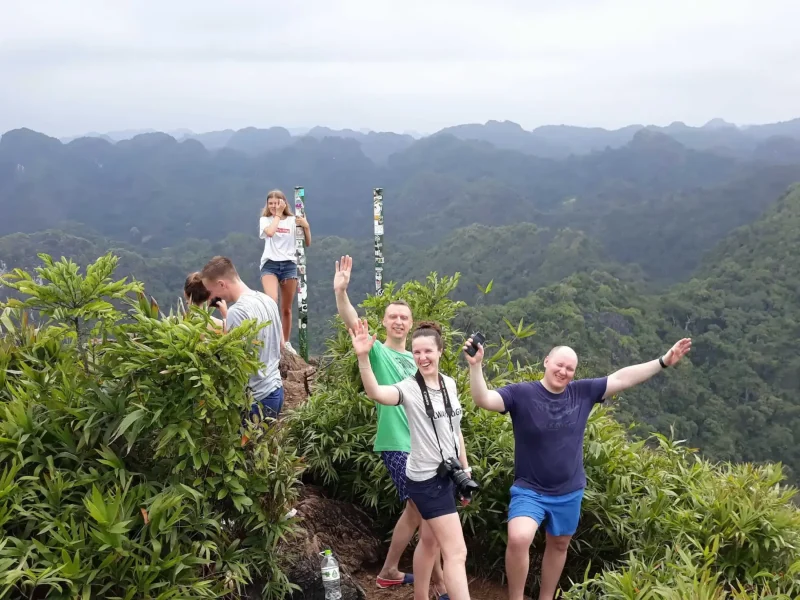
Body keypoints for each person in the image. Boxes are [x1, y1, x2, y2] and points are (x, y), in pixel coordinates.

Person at [464, 337, 692, 600]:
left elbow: (622, 378)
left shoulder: (581, 392)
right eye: (559, 365)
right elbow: (484, 399)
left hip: (569, 490)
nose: (563, 372)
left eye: (570, 368)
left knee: (559, 544)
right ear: (546, 362)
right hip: (530, 489)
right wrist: (475, 366)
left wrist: (663, 361)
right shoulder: (521, 393)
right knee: (518, 537)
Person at [333, 255, 449, 597]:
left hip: (423, 448)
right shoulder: (381, 353)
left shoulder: (418, 361)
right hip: (397, 444)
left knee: (415, 512)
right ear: (384, 323)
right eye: (393, 316)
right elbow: (353, 323)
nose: (398, 321)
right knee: (429, 514)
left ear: (411, 324)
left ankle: (389, 571)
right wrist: (342, 293)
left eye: (404, 317)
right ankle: (440, 585)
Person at [351, 319, 472, 600]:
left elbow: (455, 431)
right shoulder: (409, 387)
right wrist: (363, 358)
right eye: (417, 352)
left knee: (429, 543)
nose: (422, 357)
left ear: (440, 351)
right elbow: (377, 393)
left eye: (428, 351)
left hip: (448, 475)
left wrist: (464, 471)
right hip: (426, 480)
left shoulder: (450, 385)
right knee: (456, 551)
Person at [201, 255, 284, 421]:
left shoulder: (237, 312)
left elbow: (235, 361)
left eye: (211, 291)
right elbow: (281, 343)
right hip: (276, 390)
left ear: (221, 284)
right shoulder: (267, 300)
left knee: (247, 447)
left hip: (256, 399)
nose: (211, 297)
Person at [259, 189, 311, 354]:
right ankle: (273, 339)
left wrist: (306, 227)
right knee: (271, 301)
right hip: (270, 264)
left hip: (289, 264)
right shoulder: (265, 220)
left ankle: (286, 342)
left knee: (286, 308)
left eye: (277, 203)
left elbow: (307, 243)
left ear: (284, 203)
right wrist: (277, 215)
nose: (274, 206)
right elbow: (270, 232)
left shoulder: (292, 221)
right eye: (271, 203)